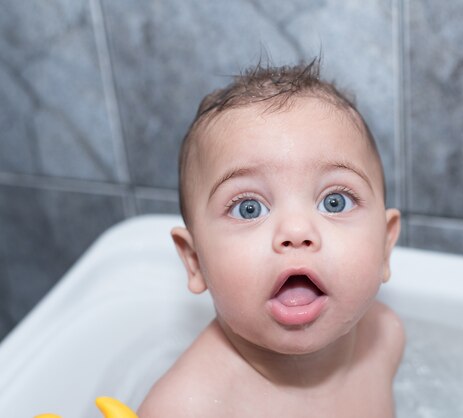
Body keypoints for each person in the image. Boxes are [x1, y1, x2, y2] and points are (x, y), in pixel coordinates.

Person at [139, 58, 403, 417]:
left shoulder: (386, 336)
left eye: (334, 201)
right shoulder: (188, 409)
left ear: (386, 246)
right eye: (249, 208)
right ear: (195, 260)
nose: (296, 232)